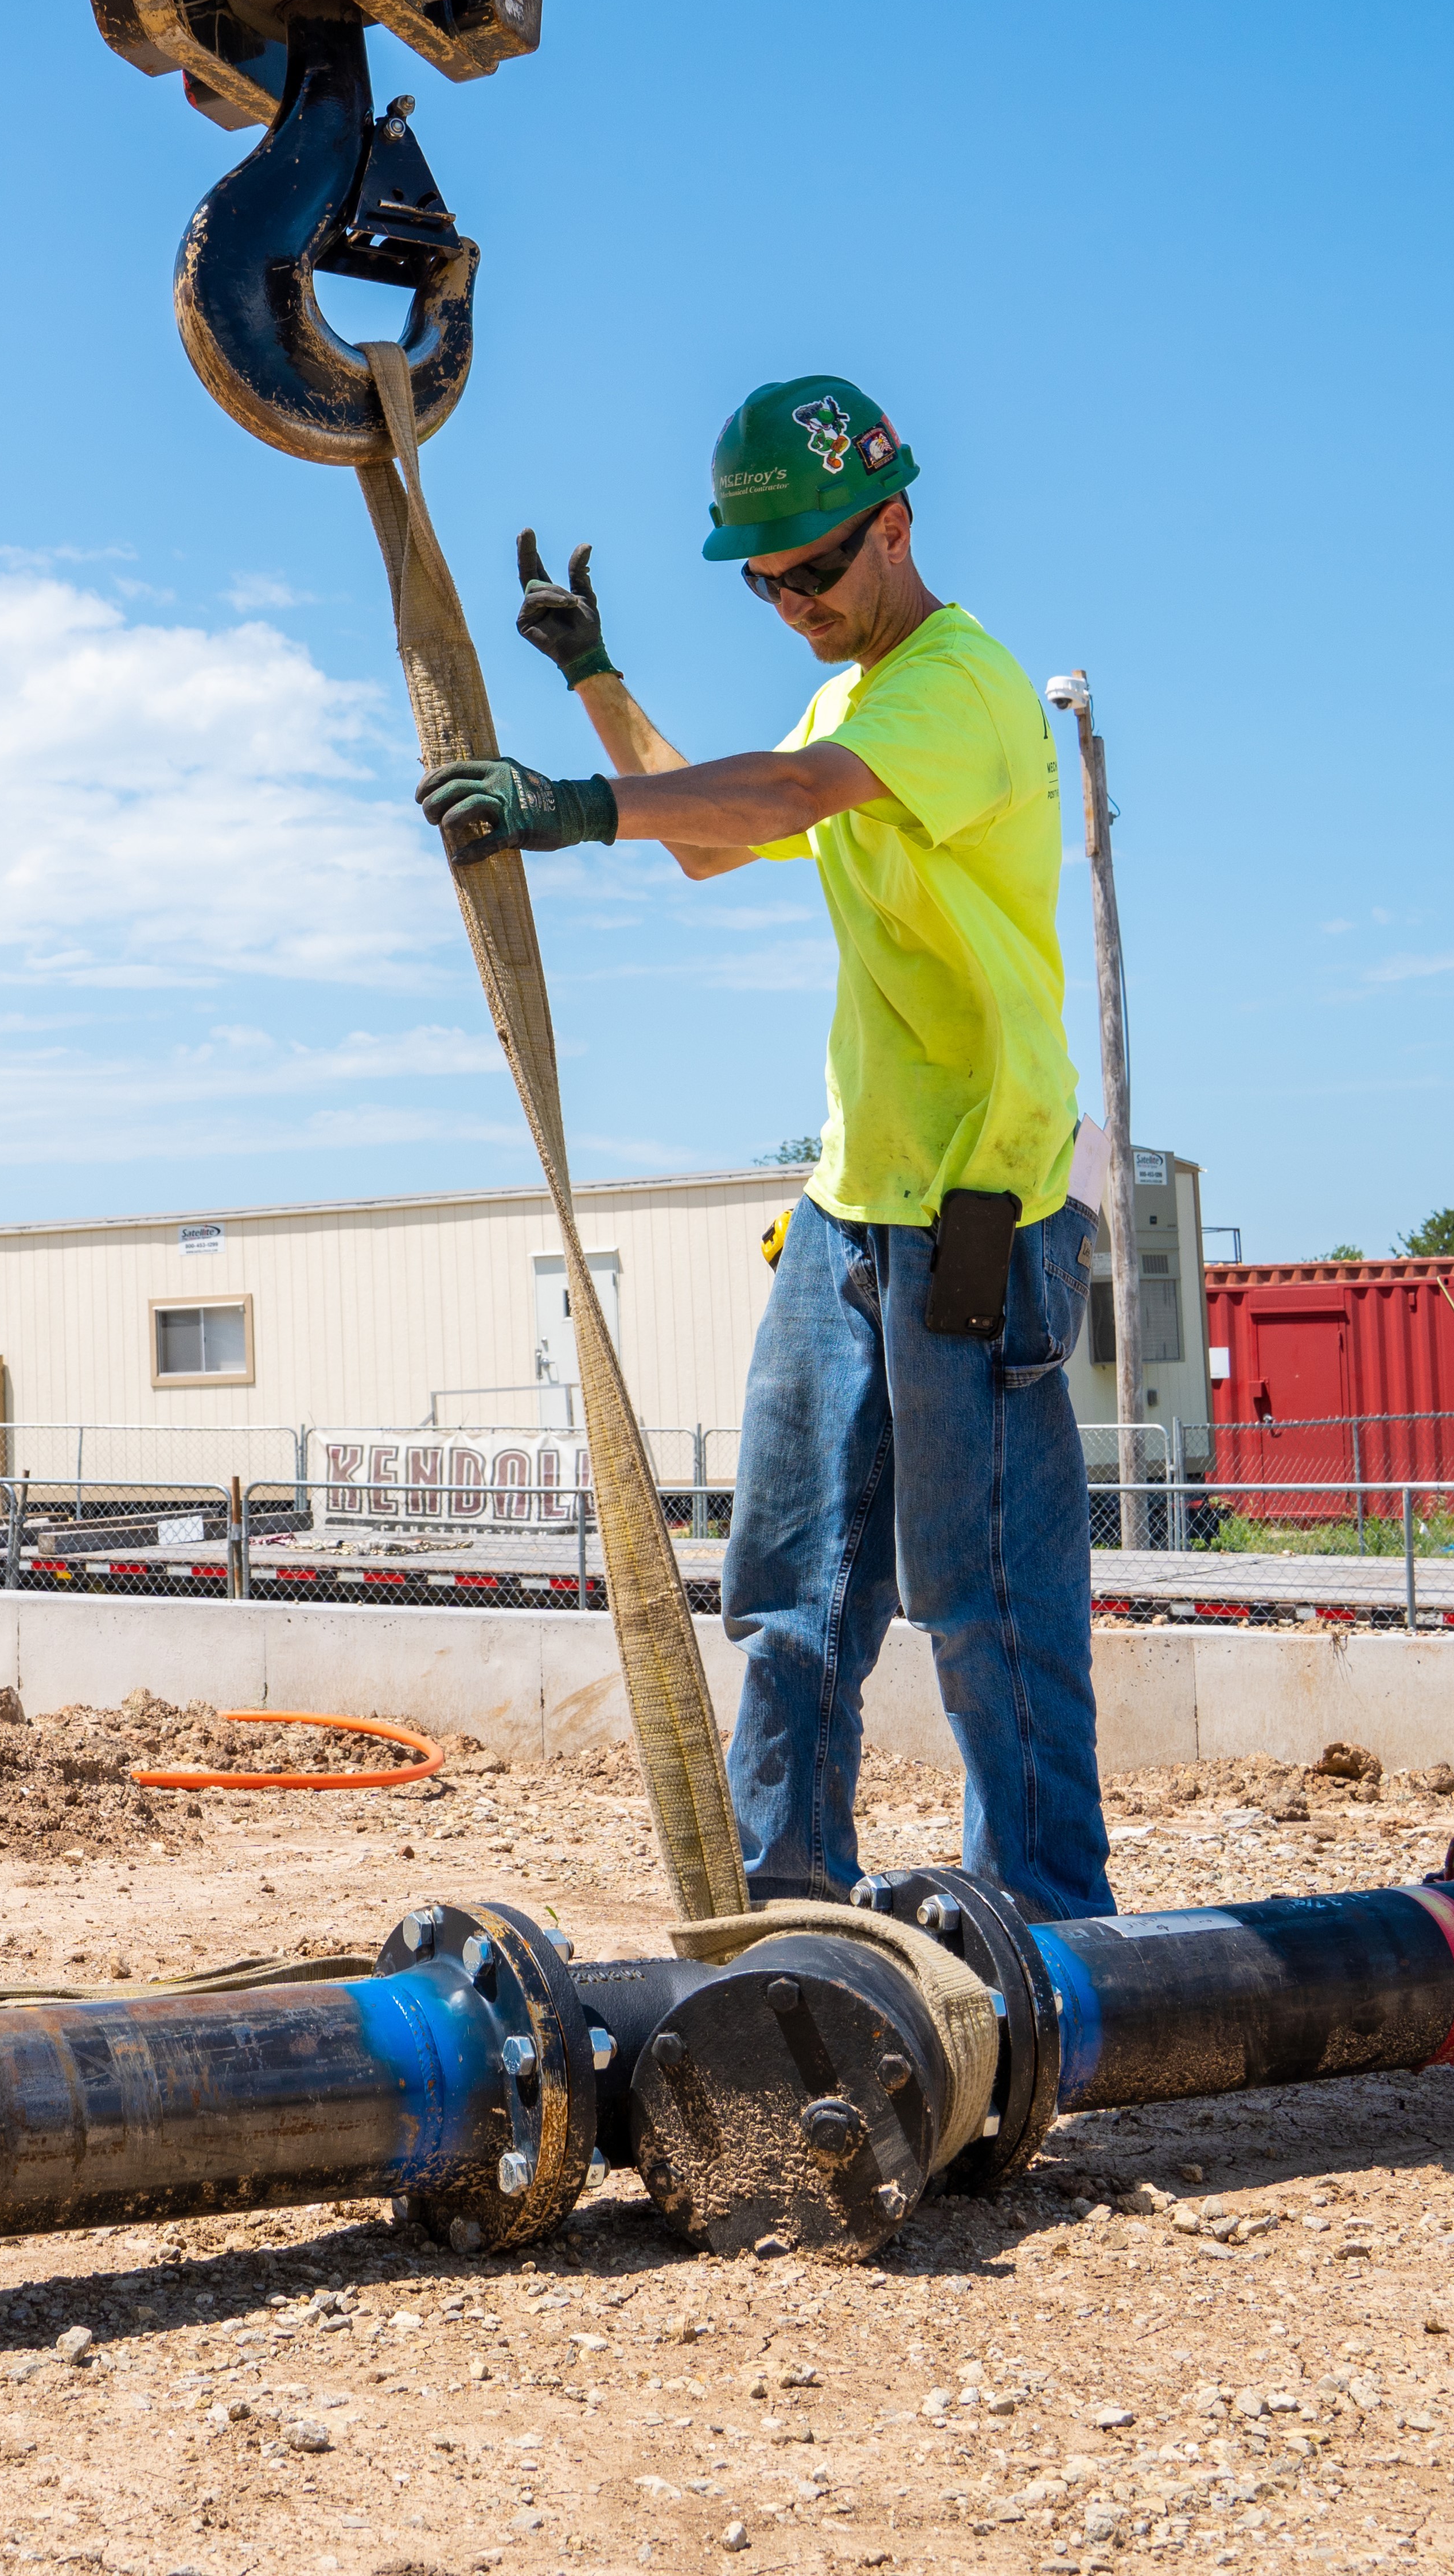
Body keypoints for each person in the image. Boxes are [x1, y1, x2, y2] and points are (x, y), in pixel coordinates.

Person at [415, 375, 1113, 1924]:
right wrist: (594, 680)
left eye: (810, 569)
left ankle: (1064, 1949)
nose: (788, 601)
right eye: (763, 579)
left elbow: (788, 791)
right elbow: (719, 833)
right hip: (849, 1215)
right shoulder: (852, 699)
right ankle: (780, 1917)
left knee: (990, 1611)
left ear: (894, 527)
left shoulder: (955, 687)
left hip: (977, 1217)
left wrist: (572, 806)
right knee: (790, 1598)